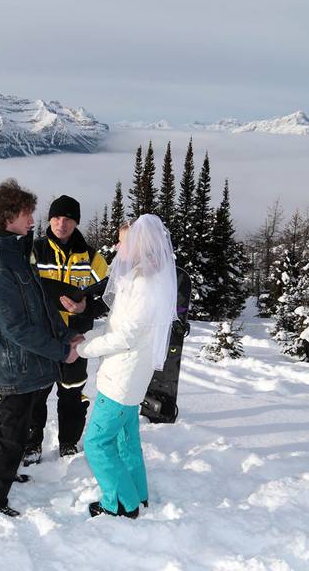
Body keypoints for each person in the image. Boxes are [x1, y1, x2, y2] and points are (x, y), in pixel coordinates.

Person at [0, 179, 83, 517]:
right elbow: (15, 327)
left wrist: (65, 338)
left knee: (16, 430)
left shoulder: (15, 254)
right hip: (16, 364)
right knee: (10, 432)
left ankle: (2, 478)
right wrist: (62, 353)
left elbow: (41, 306)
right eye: (27, 214)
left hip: (29, 362)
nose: (34, 220)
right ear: (8, 217)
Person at [77, 214, 177, 519]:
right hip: (131, 377)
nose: (118, 244)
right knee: (125, 439)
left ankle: (120, 504)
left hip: (121, 378)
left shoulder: (144, 284)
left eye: (123, 239)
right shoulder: (144, 278)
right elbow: (119, 326)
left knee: (97, 443)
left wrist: (83, 348)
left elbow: (125, 336)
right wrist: (91, 336)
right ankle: (138, 494)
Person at [24, 195, 109, 464]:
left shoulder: (93, 259)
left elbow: (111, 298)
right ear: (49, 219)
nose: (62, 223)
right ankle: (32, 443)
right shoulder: (34, 251)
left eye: (68, 218)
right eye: (57, 217)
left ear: (76, 222)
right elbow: (22, 292)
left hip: (76, 339)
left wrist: (85, 309)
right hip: (42, 336)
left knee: (72, 392)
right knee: (36, 392)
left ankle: (68, 443)